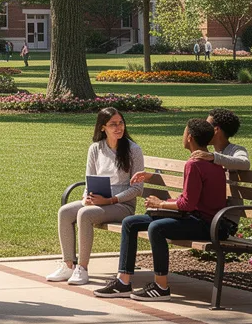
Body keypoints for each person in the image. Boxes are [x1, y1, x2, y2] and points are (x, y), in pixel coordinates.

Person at [94, 118, 233, 301]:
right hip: (195, 218)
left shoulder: (195, 164)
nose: (183, 136)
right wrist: (164, 202)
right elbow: (190, 199)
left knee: (156, 228)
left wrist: (160, 204)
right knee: (130, 223)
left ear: (189, 137)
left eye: (184, 132)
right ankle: (123, 281)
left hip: (207, 224)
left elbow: (187, 205)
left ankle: (161, 286)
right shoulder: (206, 160)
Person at [48, 108, 145, 286]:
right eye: (113, 124)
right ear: (102, 128)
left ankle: (82, 269)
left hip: (122, 205)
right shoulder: (95, 148)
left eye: (121, 123)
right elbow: (89, 178)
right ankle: (68, 264)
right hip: (99, 200)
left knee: (85, 215)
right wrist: (87, 198)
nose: (118, 128)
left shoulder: (133, 150)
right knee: (65, 211)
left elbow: (138, 188)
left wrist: (110, 200)